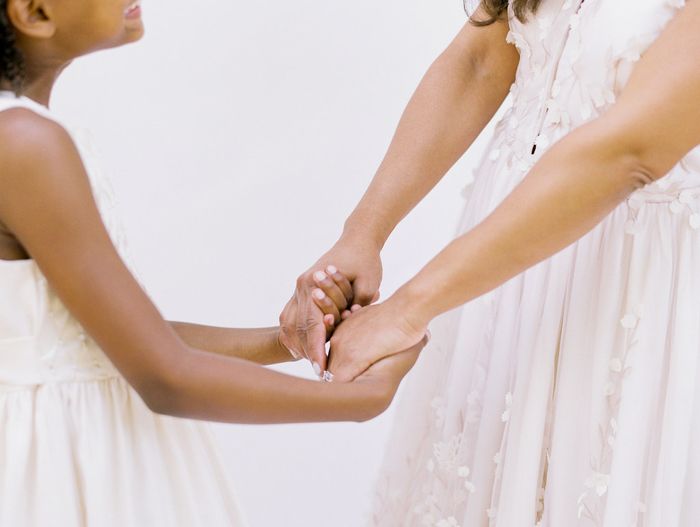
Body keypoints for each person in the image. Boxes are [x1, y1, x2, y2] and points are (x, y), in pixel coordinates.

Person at [0, 1, 426, 525]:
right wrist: (365, 397)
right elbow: (165, 377)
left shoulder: (25, 136)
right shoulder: (25, 143)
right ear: (34, 13)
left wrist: (287, 341)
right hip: (60, 470)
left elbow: (112, 342)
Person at [281, 0, 700, 524]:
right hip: (495, 281)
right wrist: (363, 234)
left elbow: (630, 151)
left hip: (635, 288)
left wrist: (408, 309)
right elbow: (480, 60)